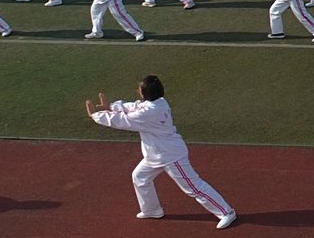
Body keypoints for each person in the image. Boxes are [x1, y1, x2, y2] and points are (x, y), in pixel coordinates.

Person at [86, 75, 236, 229]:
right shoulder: (156, 103)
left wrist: (96, 116)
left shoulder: (150, 112)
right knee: (140, 177)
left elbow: (124, 120)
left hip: (170, 155)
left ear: (145, 93)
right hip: (155, 155)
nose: (137, 91)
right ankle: (152, 210)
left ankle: (226, 212)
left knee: (193, 187)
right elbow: (134, 106)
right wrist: (112, 106)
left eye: (139, 89)